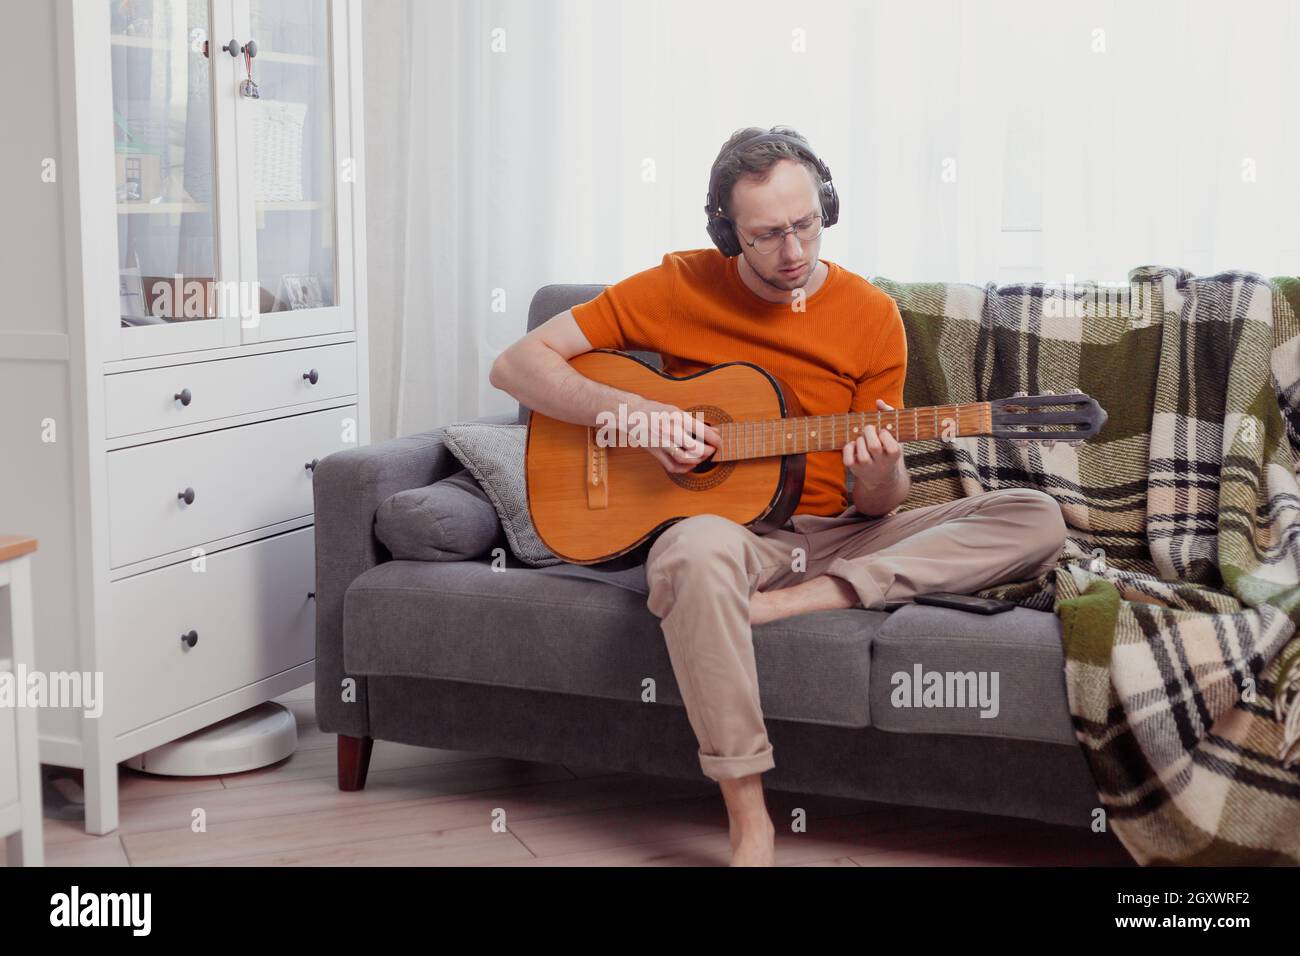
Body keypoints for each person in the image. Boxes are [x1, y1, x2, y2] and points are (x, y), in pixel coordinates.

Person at [489, 126, 1067, 866]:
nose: (793, 253)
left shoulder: (869, 315)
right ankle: (750, 819)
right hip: (735, 536)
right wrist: (639, 415)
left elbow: (881, 504)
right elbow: (515, 366)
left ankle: (805, 600)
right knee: (692, 554)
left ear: (825, 206)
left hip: (842, 535)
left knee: (1035, 515)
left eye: (806, 226)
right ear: (727, 232)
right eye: (767, 236)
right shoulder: (677, 285)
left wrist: (878, 466)